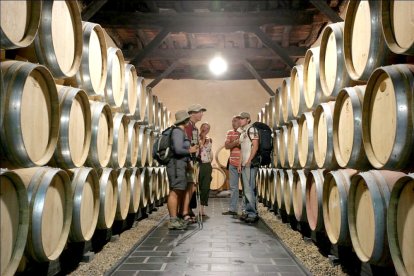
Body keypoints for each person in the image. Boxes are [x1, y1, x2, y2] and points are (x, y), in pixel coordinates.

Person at [166, 110, 199, 230]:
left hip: (180, 165)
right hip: (175, 165)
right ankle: (173, 220)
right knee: (175, 192)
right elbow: (178, 149)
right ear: (184, 120)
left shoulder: (180, 131)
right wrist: (190, 150)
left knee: (179, 190)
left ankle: (176, 218)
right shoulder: (177, 132)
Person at [181, 103, 206, 223]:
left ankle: (188, 209)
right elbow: (185, 145)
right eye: (199, 112)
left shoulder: (195, 128)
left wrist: (199, 145)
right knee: (190, 185)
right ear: (191, 114)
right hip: (189, 160)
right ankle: (184, 212)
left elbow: (194, 143)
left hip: (195, 160)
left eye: (202, 112)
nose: (201, 114)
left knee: (193, 186)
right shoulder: (187, 126)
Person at [237, 112, 259, 223]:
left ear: (248, 120)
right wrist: (239, 163)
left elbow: (255, 146)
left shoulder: (252, 130)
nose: (240, 120)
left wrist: (249, 160)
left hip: (250, 164)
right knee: (246, 189)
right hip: (244, 164)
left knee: (249, 189)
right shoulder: (243, 132)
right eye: (239, 119)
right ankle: (246, 211)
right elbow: (242, 150)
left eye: (242, 119)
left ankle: (252, 213)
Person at [222, 116, 242, 216]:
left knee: (247, 188)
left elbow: (243, 146)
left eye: (235, 121)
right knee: (233, 187)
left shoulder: (244, 132)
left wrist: (233, 143)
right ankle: (233, 209)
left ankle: (247, 210)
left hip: (243, 163)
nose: (233, 123)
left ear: (240, 122)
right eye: (232, 121)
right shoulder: (230, 132)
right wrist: (235, 142)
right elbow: (226, 146)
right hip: (232, 163)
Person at [198, 122, 213, 216]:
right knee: (197, 186)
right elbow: (199, 147)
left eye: (207, 128)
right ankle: (191, 208)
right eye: (204, 128)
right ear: (201, 128)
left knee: (205, 187)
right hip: (198, 165)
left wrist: (211, 161)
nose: (205, 130)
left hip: (207, 165)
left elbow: (209, 152)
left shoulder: (210, 139)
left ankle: (202, 208)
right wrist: (203, 137)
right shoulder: (196, 138)